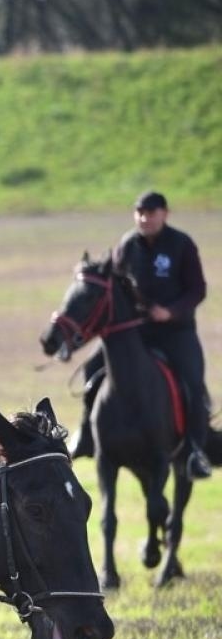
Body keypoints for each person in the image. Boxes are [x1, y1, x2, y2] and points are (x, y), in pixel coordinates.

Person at [72, 190, 210, 478]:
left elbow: (197, 289)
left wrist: (170, 311)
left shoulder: (181, 245)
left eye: (150, 213)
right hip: (135, 332)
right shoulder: (127, 245)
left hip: (176, 332)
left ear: (165, 214)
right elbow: (113, 283)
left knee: (194, 385)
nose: (144, 218)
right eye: (139, 213)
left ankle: (195, 451)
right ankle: (86, 435)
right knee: (92, 368)